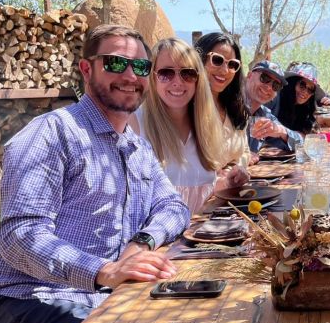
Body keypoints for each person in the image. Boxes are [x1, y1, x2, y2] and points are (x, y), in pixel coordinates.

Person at [0, 24, 190, 323]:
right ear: (86, 69)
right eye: (116, 64)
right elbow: (20, 235)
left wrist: (142, 242)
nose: (130, 75)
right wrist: (105, 270)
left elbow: (174, 207)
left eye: (141, 67)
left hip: (101, 296)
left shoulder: (137, 145)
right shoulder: (51, 134)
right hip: (24, 302)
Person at [129, 37, 248, 214]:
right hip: (156, 239)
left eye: (187, 73)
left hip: (201, 236)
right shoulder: (135, 125)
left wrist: (228, 183)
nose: (177, 81)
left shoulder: (207, 125)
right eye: (166, 73)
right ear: (153, 77)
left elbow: (197, 190)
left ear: (197, 79)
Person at [196, 32, 252, 169]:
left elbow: (245, 152)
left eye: (232, 64)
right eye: (217, 60)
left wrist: (236, 168)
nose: (225, 70)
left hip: (235, 188)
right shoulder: (187, 109)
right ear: (199, 59)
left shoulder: (236, 109)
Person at [244, 59, 303, 153]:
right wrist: (243, 158)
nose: (269, 87)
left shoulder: (264, 115)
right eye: (265, 78)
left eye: (276, 85)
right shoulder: (227, 106)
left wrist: (281, 131)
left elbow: (301, 144)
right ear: (249, 76)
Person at [272, 62, 320, 135]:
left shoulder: (301, 110)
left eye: (310, 90)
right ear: (292, 83)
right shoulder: (275, 100)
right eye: (302, 85)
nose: (305, 92)